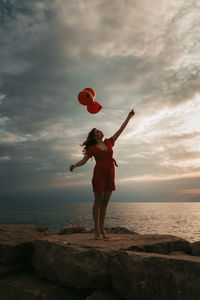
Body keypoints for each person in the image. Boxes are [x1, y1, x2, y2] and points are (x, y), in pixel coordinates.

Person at [70, 109, 135, 239]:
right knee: (98, 202)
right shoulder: (92, 148)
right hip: (99, 174)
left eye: (98, 130)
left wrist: (129, 116)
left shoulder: (109, 142)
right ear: (94, 136)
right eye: (96, 132)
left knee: (105, 203)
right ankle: (96, 232)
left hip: (110, 174)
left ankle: (102, 230)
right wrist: (75, 165)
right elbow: (84, 160)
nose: (98, 131)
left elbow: (120, 130)